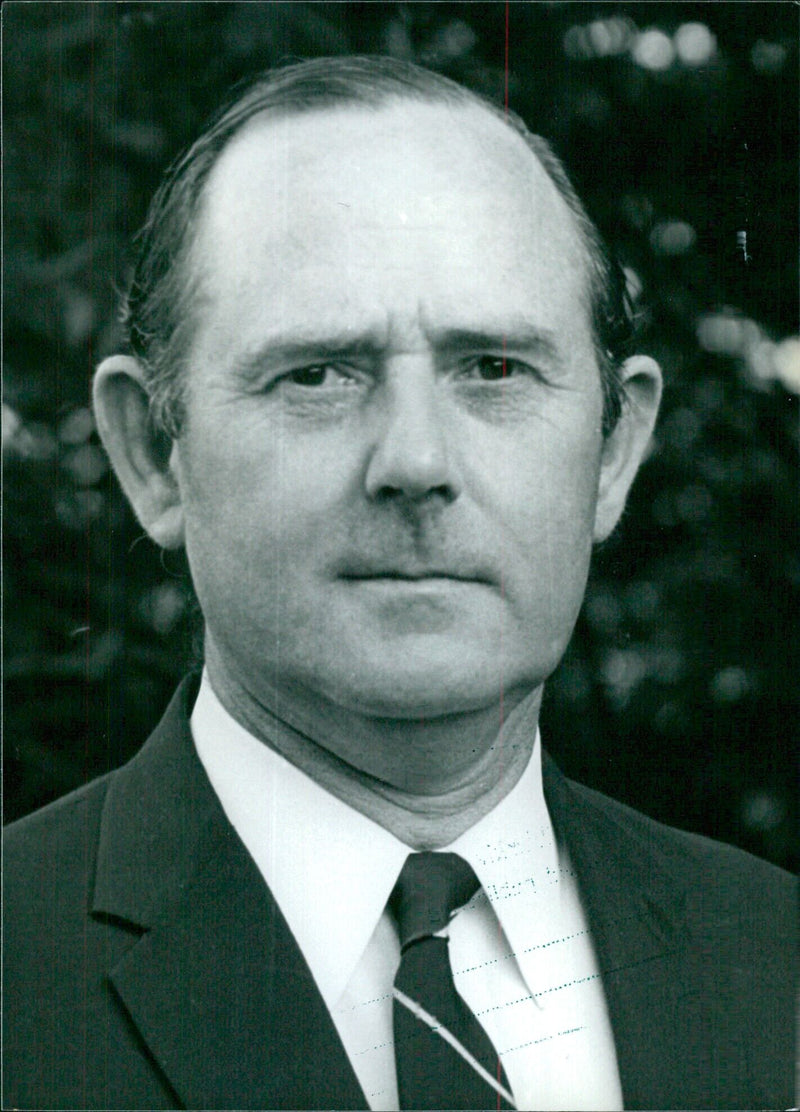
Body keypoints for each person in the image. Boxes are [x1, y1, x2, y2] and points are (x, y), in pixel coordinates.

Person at [4, 56, 795, 1112]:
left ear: (612, 451)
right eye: (318, 374)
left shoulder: (772, 959)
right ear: (153, 455)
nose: (415, 461)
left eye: (494, 369)